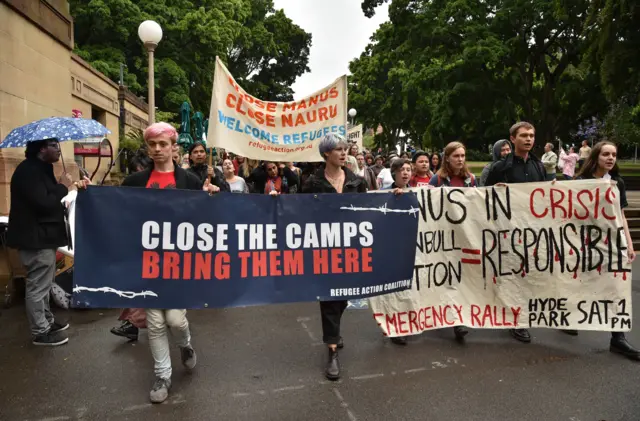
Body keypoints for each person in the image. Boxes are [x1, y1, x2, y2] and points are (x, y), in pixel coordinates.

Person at [121, 122, 220, 404]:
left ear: (173, 147)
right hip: (149, 263)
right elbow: (113, 208)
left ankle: (185, 346)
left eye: (163, 144)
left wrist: (211, 197)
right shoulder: (135, 182)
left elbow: (206, 220)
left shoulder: (188, 181)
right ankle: (162, 375)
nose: (157, 150)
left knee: (175, 319)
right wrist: (86, 191)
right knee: (154, 322)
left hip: (180, 263)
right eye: (152, 145)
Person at [7, 138, 90, 346]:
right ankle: (40, 331)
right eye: (54, 146)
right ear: (42, 149)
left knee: (44, 284)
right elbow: (44, 203)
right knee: (37, 286)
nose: (59, 151)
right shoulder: (29, 171)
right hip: (35, 239)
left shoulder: (41, 169)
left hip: (44, 237)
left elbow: (52, 199)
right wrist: (63, 185)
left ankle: (47, 321)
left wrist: (71, 186)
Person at [302, 134, 367, 381]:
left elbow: (369, 208)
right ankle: (331, 351)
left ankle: (334, 332)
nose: (343, 152)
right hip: (324, 249)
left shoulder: (356, 182)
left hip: (351, 248)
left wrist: (395, 194)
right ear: (326, 154)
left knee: (344, 297)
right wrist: (278, 201)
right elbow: (298, 211)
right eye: (338, 149)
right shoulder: (312, 183)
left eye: (345, 148)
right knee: (330, 298)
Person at [572, 141, 639, 360]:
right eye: (606, 154)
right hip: (584, 243)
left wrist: (629, 243)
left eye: (614, 155)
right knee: (578, 282)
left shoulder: (617, 183)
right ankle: (567, 317)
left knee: (616, 286)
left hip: (611, 243)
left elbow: (621, 216)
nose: (610, 158)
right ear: (596, 157)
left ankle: (617, 338)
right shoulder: (580, 182)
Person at [485, 121, 546, 344]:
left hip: (532, 231)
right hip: (507, 232)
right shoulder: (500, 168)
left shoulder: (539, 166)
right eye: (523, 135)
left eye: (531, 135)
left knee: (527, 274)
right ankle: (515, 321)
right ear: (512, 139)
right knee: (511, 276)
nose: (528, 139)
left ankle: (521, 314)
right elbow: (484, 198)